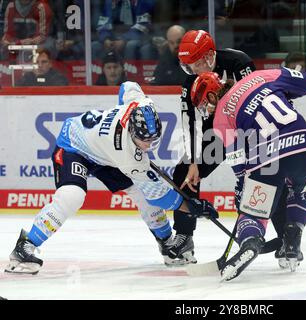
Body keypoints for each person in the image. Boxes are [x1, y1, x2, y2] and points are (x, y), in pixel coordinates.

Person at [4, 81, 219, 275]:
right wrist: (193, 208)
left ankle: (167, 244)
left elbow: (128, 86)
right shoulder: (127, 154)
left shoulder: (140, 103)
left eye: (153, 139)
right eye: (143, 141)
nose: (148, 146)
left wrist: (123, 107)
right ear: (131, 130)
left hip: (103, 152)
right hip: (74, 146)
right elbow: (160, 197)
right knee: (72, 195)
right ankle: (25, 246)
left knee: (140, 192)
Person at [190, 68, 306, 281]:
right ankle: (292, 237)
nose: (206, 110)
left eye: (204, 104)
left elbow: (239, 164)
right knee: (301, 189)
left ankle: (250, 241)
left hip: (268, 158)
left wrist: (243, 190)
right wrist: (283, 93)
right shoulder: (259, 77)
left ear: (211, 95)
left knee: (253, 209)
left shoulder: (220, 117)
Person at [166, 29, 258, 263]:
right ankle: (184, 235)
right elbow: (189, 122)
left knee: (264, 178)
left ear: (208, 56)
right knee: (184, 173)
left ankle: (285, 235)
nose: (192, 71)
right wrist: (194, 161)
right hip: (216, 133)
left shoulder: (239, 63)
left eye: (195, 64)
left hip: (248, 130)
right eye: (187, 66)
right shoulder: (191, 80)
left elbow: (260, 98)